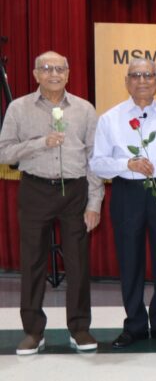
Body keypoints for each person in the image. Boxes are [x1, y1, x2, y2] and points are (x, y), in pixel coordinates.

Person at [0, 51, 103, 355]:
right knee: (32, 262)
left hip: (75, 192)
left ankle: (80, 328)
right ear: (35, 74)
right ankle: (33, 331)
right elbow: (5, 153)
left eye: (60, 69)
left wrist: (94, 202)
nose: (54, 74)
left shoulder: (84, 109)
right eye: (47, 68)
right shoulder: (19, 109)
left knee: (78, 263)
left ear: (68, 74)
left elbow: (94, 159)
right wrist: (39, 144)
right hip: (35, 190)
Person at [90, 58, 156, 347]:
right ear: (127, 81)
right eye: (136, 75)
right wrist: (127, 163)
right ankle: (134, 324)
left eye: (148, 75)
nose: (142, 80)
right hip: (127, 192)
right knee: (130, 259)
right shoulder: (109, 118)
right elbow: (97, 164)